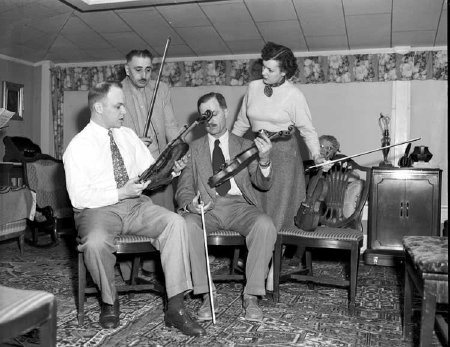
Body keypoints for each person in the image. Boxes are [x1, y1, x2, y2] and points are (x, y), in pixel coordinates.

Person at [63, 81, 205, 336]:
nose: (123, 112)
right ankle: (109, 300)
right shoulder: (78, 146)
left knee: (175, 222)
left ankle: (176, 306)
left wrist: (172, 169)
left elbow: (150, 174)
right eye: (118, 106)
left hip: (135, 205)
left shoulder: (127, 136)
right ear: (98, 107)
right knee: (95, 243)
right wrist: (119, 192)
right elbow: (78, 197)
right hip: (97, 210)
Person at [176, 92, 277, 322]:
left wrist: (264, 160)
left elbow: (263, 183)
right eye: (204, 115)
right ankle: (206, 295)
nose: (209, 119)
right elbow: (183, 189)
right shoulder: (193, 148)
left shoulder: (245, 145)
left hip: (240, 206)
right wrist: (190, 205)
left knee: (265, 225)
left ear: (226, 112)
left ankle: (251, 295)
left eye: (214, 113)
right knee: (186, 225)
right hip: (207, 208)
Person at [232, 41, 327, 233]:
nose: (264, 73)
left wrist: (317, 155)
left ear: (284, 72)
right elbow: (241, 124)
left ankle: (273, 256)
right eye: (263, 67)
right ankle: (258, 248)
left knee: (278, 209)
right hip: (255, 148)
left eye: (270, 70)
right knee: (254, 203)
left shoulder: (294, 95)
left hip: (284, 154)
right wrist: (228, 148)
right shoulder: (253, 87)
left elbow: (307, 130)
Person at [121, 49, 179, 211]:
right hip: (130, 172)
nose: (144, 75)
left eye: (148, 70)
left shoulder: (161, 89)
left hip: (158, 168)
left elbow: (171, 126)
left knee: (166, 221)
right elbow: (109, 135)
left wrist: (179, 153)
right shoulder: (115, 92)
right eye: (137, 70)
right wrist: (134, 143)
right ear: (127, 70)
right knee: (135, 226)